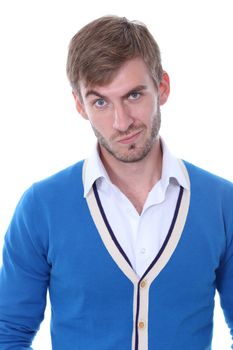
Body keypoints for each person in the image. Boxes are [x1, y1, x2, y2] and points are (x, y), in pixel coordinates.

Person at [0, 15, 232, 350]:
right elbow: (8, 332)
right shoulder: (42, 207)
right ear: (80, 105)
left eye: (134, 95)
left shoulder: (222, 203)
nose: (121, 122)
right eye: (100, 102)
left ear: (162, 87)